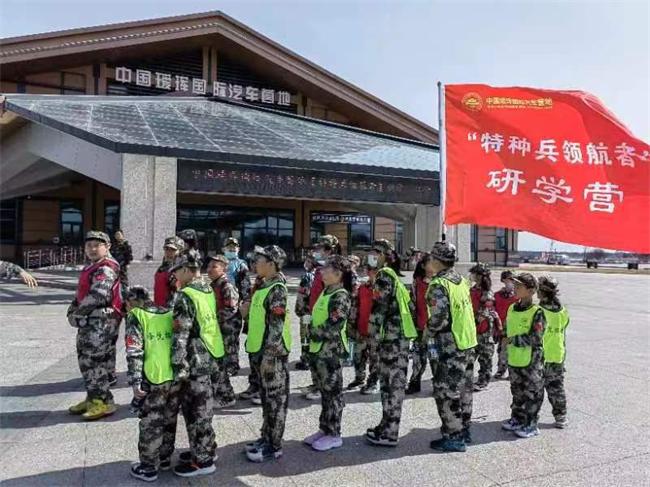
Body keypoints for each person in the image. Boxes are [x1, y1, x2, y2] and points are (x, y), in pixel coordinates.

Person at [170, 250, 221, 477]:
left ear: (185, 270)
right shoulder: (206, 288)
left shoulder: (186, 295)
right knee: (204, 408)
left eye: (176, 271)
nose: (174, 276)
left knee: (195, 411)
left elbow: (181, 333)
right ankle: (206, 448)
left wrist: (177, 365)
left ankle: (203, 461)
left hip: (194, 360)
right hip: (210, 354)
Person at [364, 239, 417, 447]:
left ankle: (390, 433)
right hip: (397, 338)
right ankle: (385, 425)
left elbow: (379, 308)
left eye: (376, 252)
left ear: (385, 255)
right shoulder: (392, 275)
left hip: (392, 340)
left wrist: (371, 335)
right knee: (389, 385)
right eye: (371, 251)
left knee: (392, 386)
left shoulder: (384, 276)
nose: (372, 255)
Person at [124, 286, 180, 482]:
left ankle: (148, 466)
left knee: (151, 421)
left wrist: (135, 379)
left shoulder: (136, 316)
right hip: (173, 375)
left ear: (131, 302)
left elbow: (134, 350)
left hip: (152, 376)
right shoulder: (167, 312)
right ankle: (164, 458)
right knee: (169, 418)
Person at [426, 241, 477, 453]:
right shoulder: (461, 281)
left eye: (431, 257)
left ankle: (454, 436)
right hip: (467, 341)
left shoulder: (438, 284)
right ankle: (464, 430)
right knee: (464, 390)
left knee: (446, 391)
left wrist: (427, 333)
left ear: (437, 260)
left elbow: (439, 319)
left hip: (450, 346)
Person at [67, 231, 122, 420]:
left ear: (107, 247)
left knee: (95, 361)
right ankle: (93, 397)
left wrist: (77, 313)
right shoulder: (92, 266)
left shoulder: (106, 268)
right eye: (89, 245)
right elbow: (81, 293)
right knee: (86, 361)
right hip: (89, 321)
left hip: (100, 322)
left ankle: (103, 402)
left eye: (97, 245)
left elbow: (98, 294)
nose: (92, 249)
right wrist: (73, 309)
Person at [243, 245, 292, 463]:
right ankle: (266, 436)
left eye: (260, 260)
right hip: (260, 352)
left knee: (275, 401)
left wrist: (270, 357)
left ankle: (274, 445)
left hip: (272, 355)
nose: (255, 263)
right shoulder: (264, 285)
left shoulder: (277, 289)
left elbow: (276, 326)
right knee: (266, 399)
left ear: (271, 264)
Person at [304, 255, 352, 452]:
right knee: (324, 392)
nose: (322, 272)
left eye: (326, 269)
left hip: (330, 352)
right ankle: (324, 429)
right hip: (319, 350)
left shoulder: (340, 295)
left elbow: (335, 323)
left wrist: (312, 333)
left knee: (333, 394)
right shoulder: (327, 291)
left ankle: (334, 434)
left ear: (338, 274)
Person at [501, 272, 546, 439]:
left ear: (531, 290)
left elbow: (536, 337)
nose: (515, 288)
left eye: (519, 286)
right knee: (517, 391)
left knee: (532, 393)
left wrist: (513, 340)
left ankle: (531, 424)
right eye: (515, 285)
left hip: (531, 361)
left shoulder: (537, 312)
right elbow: (507, 327)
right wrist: (503, 337)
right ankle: (517, 419)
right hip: (514, 358)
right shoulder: (512, 307)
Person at [304, 235, 340, 400]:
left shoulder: (335, 267)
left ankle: (325, 387)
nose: (316, 251)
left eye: (320, 248)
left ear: (328, 250)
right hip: (315, 312)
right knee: (314, 352)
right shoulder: (319, 267)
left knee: (325, 355)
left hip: (326, 315)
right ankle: (317, 383)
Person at [207, 255, 238, 409]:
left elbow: (231, 310)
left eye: (214, 267)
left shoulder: (226, 286)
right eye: (209, 266)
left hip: (226, 332)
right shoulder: (213, 285)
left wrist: (212, 319)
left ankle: (227, 396)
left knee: (222, 365)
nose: (209, 270)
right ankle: (219, 392)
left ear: (224, 269)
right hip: (217, 331)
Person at [539, 275, 570, 429]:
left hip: (541, 356)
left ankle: (530, 417)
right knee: (556, 387)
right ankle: (561, 417)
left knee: (535, 388)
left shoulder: (538, 311)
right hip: (557, 354)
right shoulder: (563, 311)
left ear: (541, 292)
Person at [346, 260, 379, 394]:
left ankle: (373, 382)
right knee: (358, 356)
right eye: (369, 270)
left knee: (374, 358)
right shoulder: (363, 287)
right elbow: (355, 307)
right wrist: (351, 325)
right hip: (361, 329)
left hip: (375, 332)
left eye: (373, 270)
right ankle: (359, 378)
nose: (370, 273)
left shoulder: (383, 289)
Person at [406, 253, 437, 395]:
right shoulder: (416, 283)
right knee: (418, 359)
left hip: (435, 331)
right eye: (430, 263)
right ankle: (414, 383)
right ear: (423, 266)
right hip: (420, 329)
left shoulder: (440, 283)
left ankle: (438, 385)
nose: (433, 266)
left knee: (435, 359)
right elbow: (412, 304)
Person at [469, 262, 500, 391]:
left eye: (474, 274)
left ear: (481, 276)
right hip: (472, 330)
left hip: (484, 330)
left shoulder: (487, 293)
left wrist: (473, 324)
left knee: (485, 358)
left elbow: (485, 312)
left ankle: (483, 381)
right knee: (469, 358)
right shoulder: (472, 290)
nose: (472, 276)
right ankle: (467, 381)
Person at [222, 237, 251, 374]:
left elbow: (245, 286)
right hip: (219, 305)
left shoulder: (241, 265)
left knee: (231, 337)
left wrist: (245, 303)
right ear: (223, 249)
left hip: (234, 307)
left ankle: (232, 364)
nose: (232, 249)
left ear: (238, 249)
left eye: (234, 247)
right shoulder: (219, 263)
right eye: (229, 247)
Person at [494, 270, 518, 379]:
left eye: (513, 280)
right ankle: (501, 370)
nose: (511, 282)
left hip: (514, 327)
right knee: (501, 350)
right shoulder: (497, 295)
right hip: (501, 327)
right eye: (509, 279)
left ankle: (512, 372)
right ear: (503, 280)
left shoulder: (517, 296)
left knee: (513, 349)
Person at [294, 254, 316, 371]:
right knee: (310, 335)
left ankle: (306, 360)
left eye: (308, 261)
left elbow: (304, 295)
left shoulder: (307, 276)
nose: (306, 263)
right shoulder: (318, 275)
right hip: (313, 311)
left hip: (306, 312)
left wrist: (299, 310)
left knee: (305, 336)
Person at [154, 236, 185, 308]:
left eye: (173, 250)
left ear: (180, 251)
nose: (168, 252)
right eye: (166, 249)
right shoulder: (163, 267)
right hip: (159, 308)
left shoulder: (182, 270)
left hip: (172, 309)